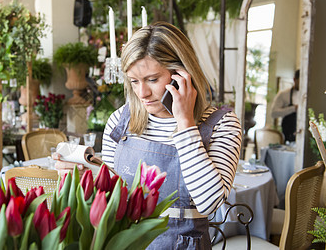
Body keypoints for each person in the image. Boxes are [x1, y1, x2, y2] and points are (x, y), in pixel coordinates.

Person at [55, 22, 242, 249]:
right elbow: (111, 195)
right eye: (134, 81)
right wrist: (82, 177)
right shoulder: (120, 121)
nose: (142, 93)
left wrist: (185, 123)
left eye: (152, 79)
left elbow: (209, 203)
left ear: (182, 75)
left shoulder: (222, 124)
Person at [270, 69, 300, 142]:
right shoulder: (284, 94)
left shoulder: (307, 96)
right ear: (294, 79)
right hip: (288, 136)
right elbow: (273, 113)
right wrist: (293, 108)